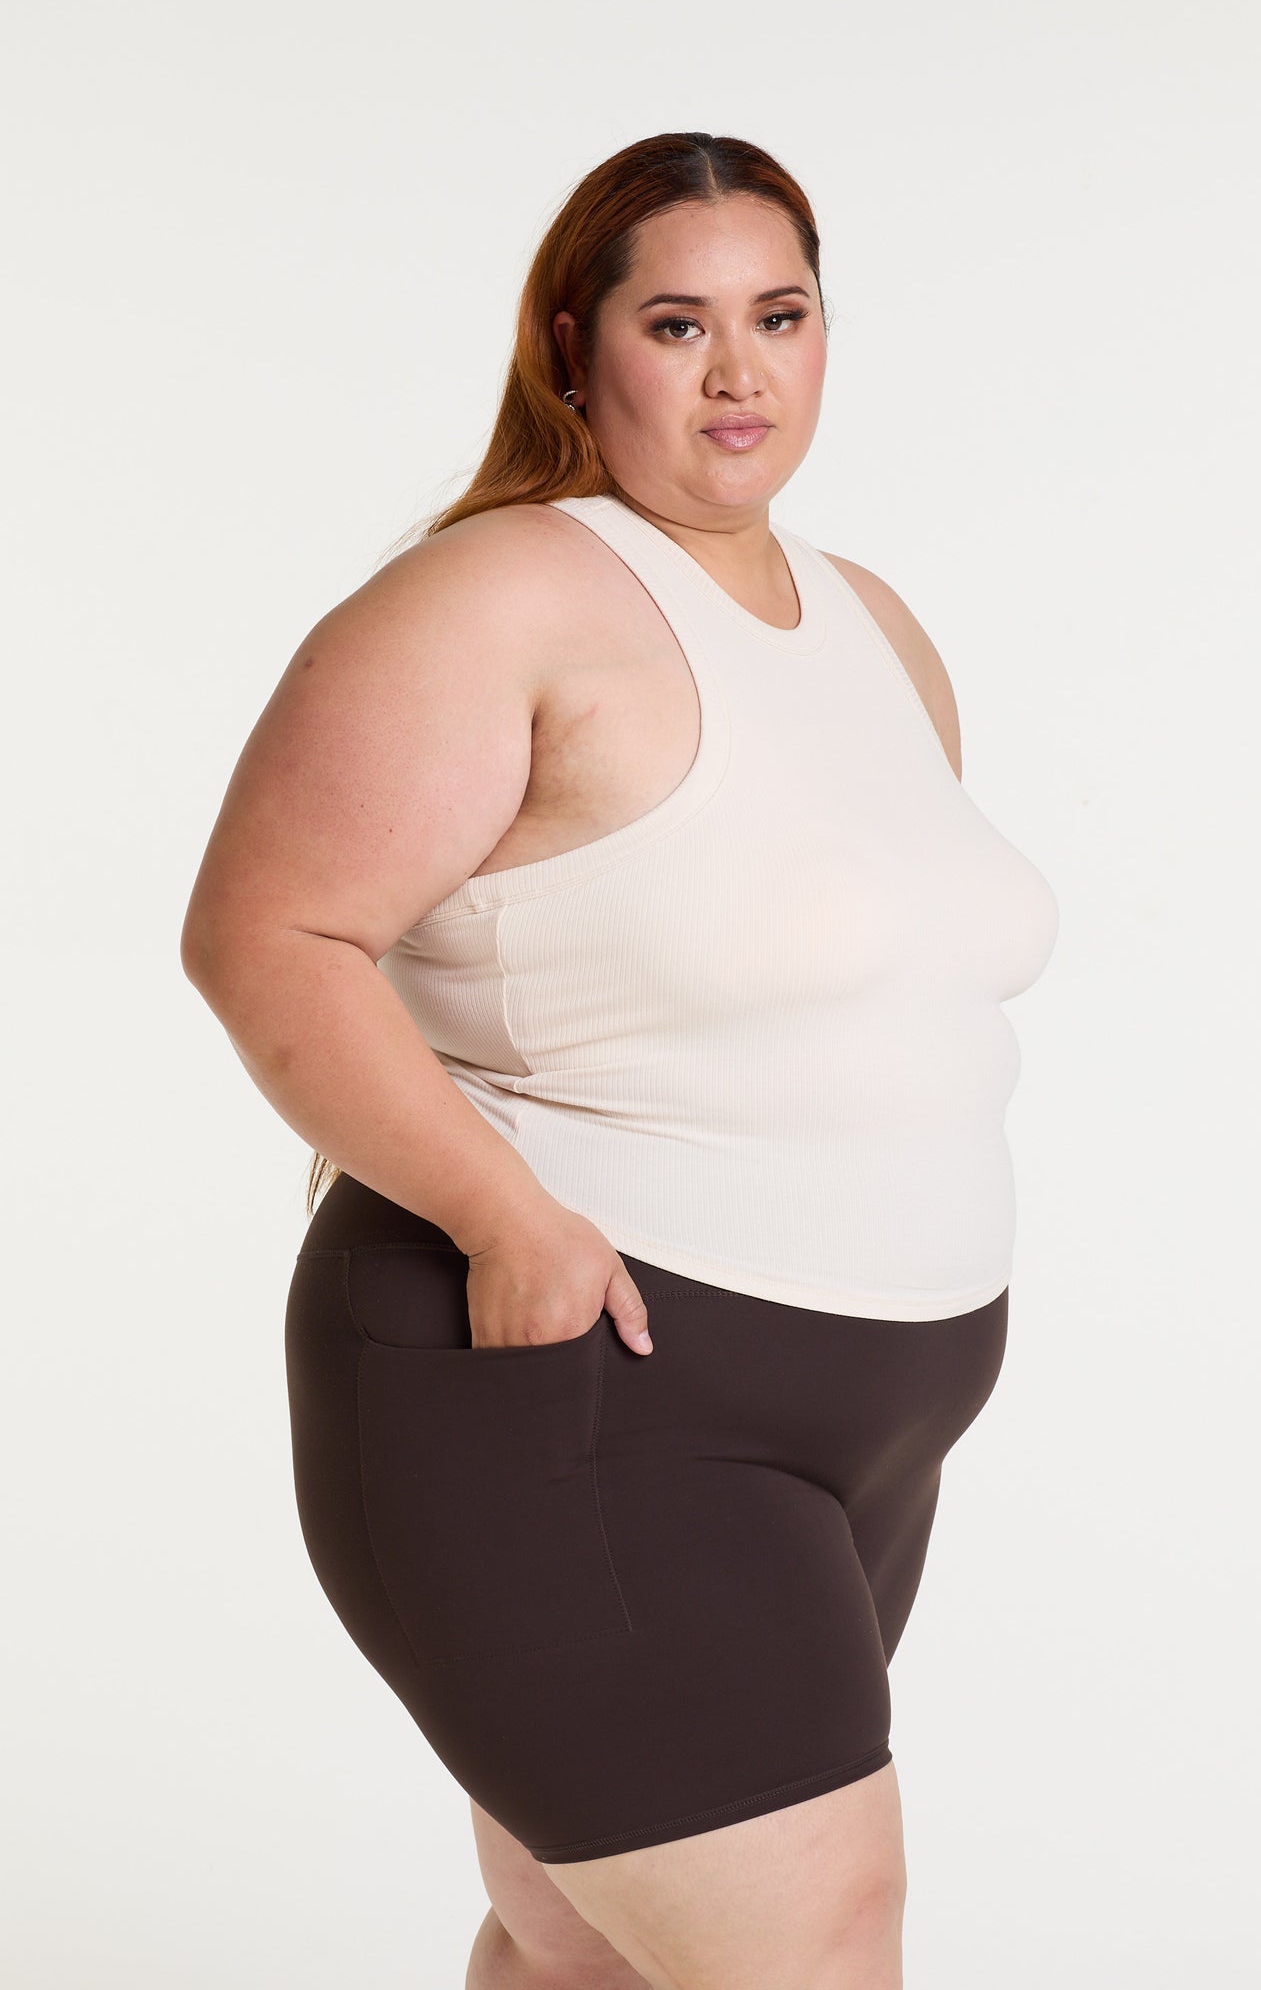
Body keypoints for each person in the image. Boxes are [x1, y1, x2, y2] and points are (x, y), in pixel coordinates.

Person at [181, 130, 1059, 1990]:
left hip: (864, 1424)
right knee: (806, 1950)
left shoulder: (871, 622)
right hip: (594, 1390)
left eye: (780, 317)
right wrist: (505, 1221)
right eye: (678, 323)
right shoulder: (499, 596)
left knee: (588, 1951)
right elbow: (268, 935)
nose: (739, 371)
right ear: (574, 349)